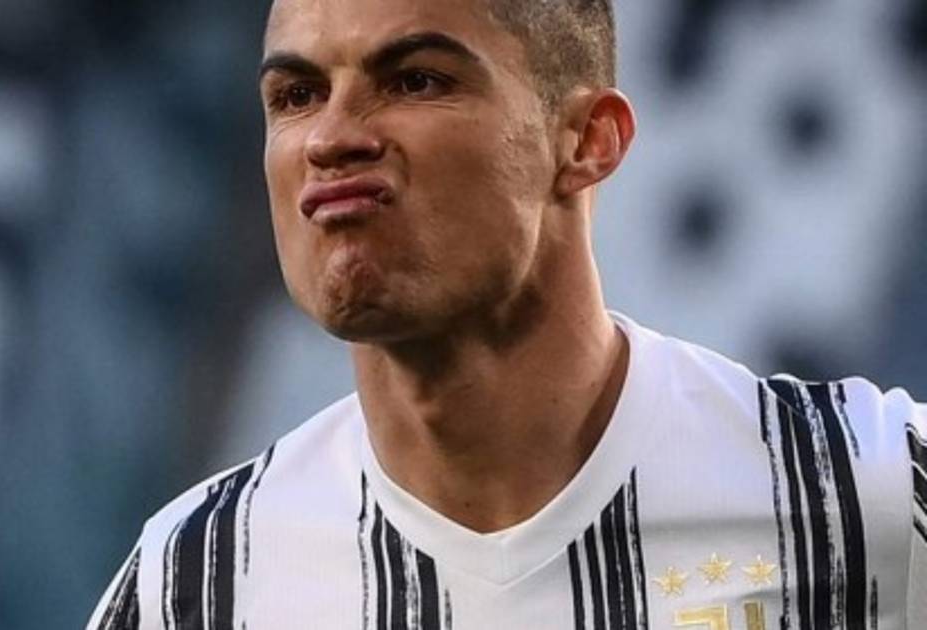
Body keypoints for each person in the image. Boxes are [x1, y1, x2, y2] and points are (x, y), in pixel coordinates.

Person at [87, 0, 927, 627]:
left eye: (416, 80)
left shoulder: (858, 489)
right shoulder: (197, 580)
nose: (331, 137)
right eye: (297, 94)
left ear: (588, 140)